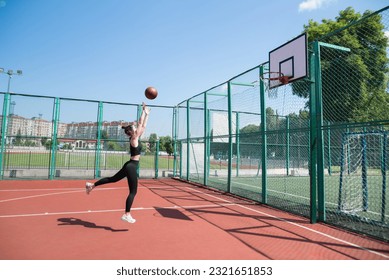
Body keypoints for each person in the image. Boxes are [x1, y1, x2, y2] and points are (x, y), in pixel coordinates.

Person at [85, 102, 150, 223]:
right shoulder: (134, 139)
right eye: (135, 128)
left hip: (129, 165)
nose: (137, 128)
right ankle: (127, 214)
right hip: (131, 167)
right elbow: (140, 124)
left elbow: (143, 126)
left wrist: (147, 115)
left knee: (113, 179)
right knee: (133, 192)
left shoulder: (135, 138)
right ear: (132, 132)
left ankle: (91, 185)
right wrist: (143, 112)